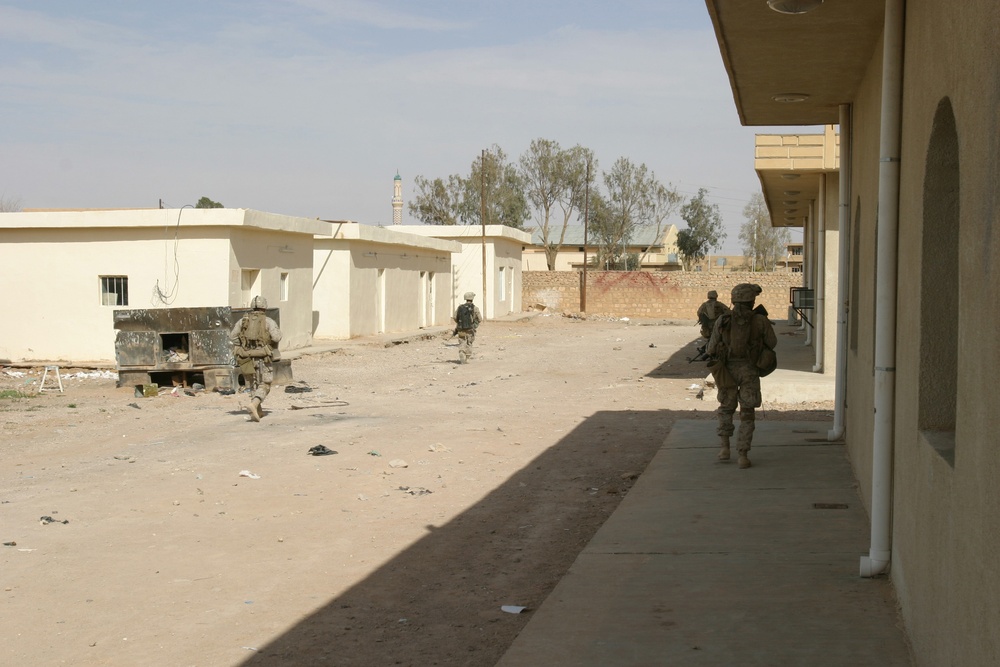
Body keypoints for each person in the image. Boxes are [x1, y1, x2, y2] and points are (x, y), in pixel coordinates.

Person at [706, 283, 777, 469]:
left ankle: (724, 448)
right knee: (747, 413)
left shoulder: (723, 320)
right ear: (751, 300)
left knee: (725, 408)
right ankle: (743, 455)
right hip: (749, 370)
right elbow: (772, 342)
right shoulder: (760, 320)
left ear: (733, 299)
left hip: (727, 371)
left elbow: (711, 348)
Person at [230, 296, 282, 422]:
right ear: (264, 307)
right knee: (265, 384)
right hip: (263, 357)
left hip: (247, 357)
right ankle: (254, 405)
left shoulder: (243, 321)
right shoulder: (268, 321)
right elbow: (276, 338)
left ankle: (258, 411)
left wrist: (243, 346)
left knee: (253, 384)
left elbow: (233, 337)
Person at [453, 292, 482, 364]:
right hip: (470, 329)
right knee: (469, 342)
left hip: (461, 328)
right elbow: (480, 319)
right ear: (472, 299)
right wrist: (474, 325)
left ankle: (462, 352)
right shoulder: (475, 308)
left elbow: (455, 317)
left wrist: (459, 323)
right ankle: (467, 356)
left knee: (462, 341)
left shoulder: (460, 307)